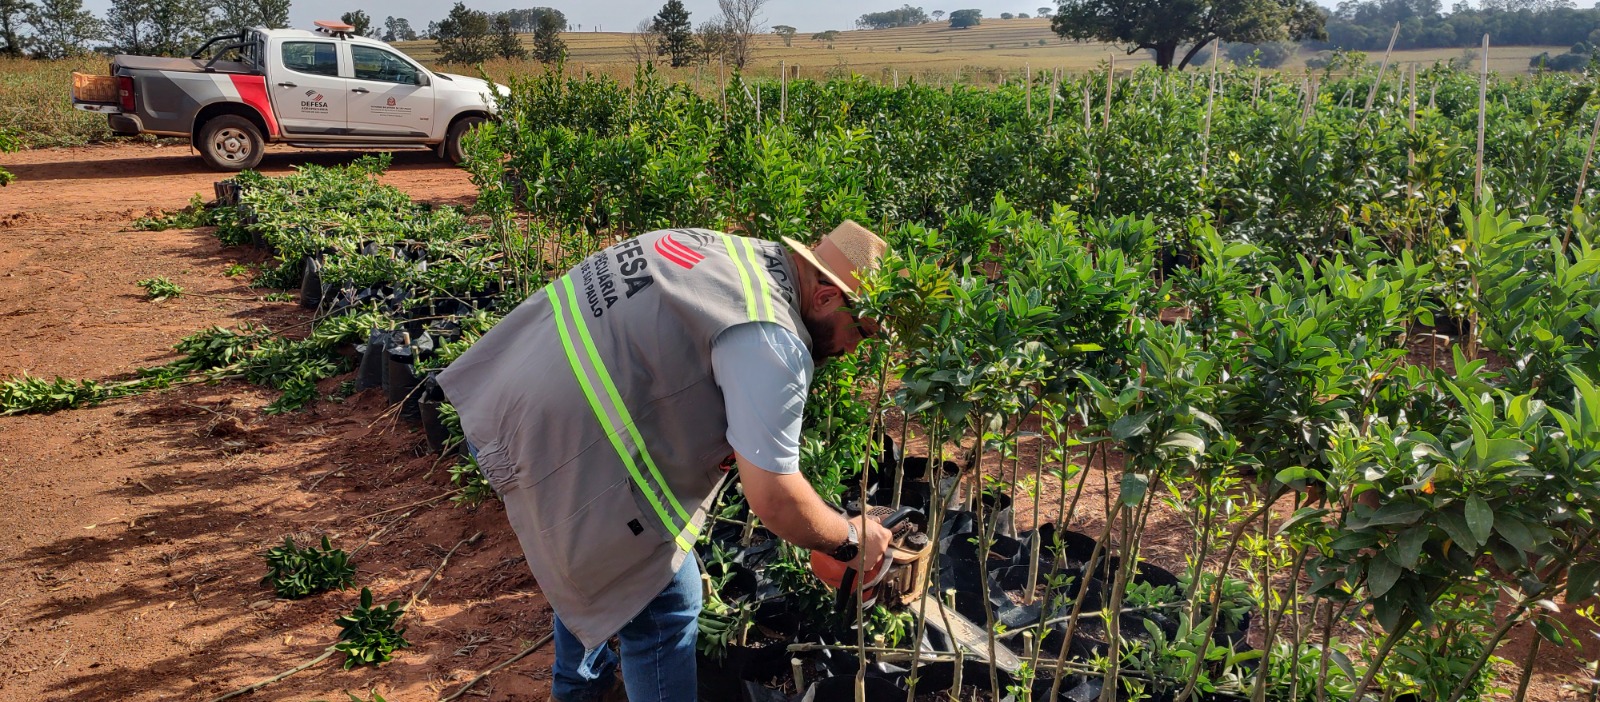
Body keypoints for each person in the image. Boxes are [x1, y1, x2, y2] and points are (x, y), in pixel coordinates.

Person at [437, 221, 897, 702]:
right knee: (667, 605)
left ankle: (580, 689)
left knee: (596, 556)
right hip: (551, 446)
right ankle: (580, 688)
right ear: (825, 297)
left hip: (502, 393)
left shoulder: (724, 251)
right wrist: (846, 541)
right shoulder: (772, 341)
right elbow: (775, 497)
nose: (851, 351)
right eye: (860, 331)